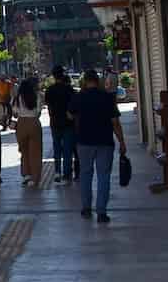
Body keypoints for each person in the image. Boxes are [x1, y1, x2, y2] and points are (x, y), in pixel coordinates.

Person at [71, 68, 126, 222]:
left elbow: (70, 114)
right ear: (97, 80)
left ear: (84, 81)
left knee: (85, 175)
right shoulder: (107, 98)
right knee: (104, 176)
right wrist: (121, 141)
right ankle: (101, 212)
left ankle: (86, 208)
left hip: (84, 141)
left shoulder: (79, 97)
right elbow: (115, 122)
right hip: (105, 142)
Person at [45, 66, 76, 183]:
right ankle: (67, 174)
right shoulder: (69, 89)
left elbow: (48, 106)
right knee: (67, 149)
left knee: (57, 148)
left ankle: (57, 171)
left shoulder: (49, 90)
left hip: (55, 122)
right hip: (68, 123)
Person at [14, 77, 42, 185]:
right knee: (35, 152)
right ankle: (35, 178)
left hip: (21, 124)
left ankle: (26, 174)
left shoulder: (18, 98)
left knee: (24, 151)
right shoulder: (37, 96)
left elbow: (15, 113)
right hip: (34, 123)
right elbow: (39, 112)